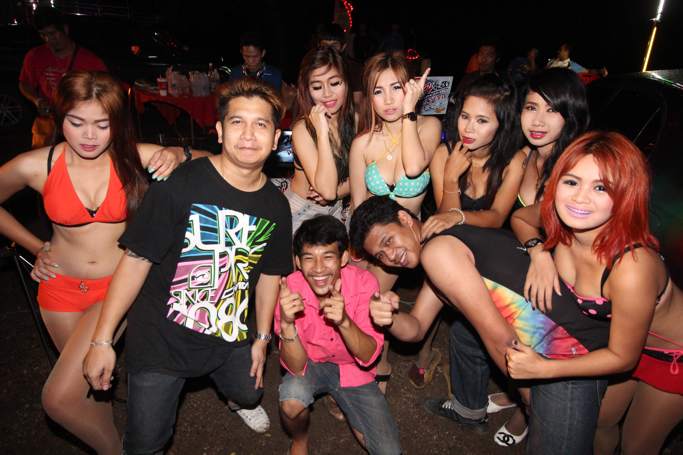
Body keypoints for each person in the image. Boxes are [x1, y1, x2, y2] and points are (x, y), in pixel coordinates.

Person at [82, 78, 293, 453]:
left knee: (249, 392)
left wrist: (262, 339)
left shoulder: (276, 206)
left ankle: (236, 399)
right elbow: (135, 260)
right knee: (147, 441)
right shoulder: (179, 185)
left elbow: (270, 275)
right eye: (237, 122)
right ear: (219, 131)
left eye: (261, 124)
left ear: (276, 138)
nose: (248, 135)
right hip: (161, 338)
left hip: (227, 331)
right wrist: (102, 341)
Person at [0, 70, 192, 454]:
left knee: (57, 399)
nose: (89, 135)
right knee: (84, 391)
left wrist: (176, 153)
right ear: (60, 118)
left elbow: (214, 163)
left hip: (115, 287)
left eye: (102, 125)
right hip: (59, 290)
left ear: (117, 124)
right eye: (76, 122)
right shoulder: (37, 165)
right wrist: (35, 246)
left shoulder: (132, 156)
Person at [349, 190, 608, 454]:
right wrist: (389, 318)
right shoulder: (440, 245)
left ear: (405, 219)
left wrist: (528, 395)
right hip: (572, 340)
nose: (391, 256)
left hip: (568, 352)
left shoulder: (438, 253)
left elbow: (499, 337)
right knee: (463, 332)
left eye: (388, 241)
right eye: (380, 255)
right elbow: (416, 328)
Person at [508, 132, 683, 455]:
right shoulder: (560, 216)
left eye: (601, 188)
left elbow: (623, 357)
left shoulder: (631, 267)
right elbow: (520, 218)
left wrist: (543, 369)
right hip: (617, 342)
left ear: (626, 194)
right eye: (571, 181)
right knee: (601, 422)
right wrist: (539, 253)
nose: (580, 198)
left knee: (637, 445)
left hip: (671, 355)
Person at [483, 67, 590, 444]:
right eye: (531, 108)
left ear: (570, 114)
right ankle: (519, 394)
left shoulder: (576, 164)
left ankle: (527, 408)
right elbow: (508, 216)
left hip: (569, 277)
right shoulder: (524, 156)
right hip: (530, 260)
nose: (538, 121)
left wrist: (542, 256)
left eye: (552, 110)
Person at [408, 73, 523, 389]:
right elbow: (445, 223)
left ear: (501, 124)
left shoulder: (513, 160)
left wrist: (458, 214)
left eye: (482, 121)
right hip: (449, 244)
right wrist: (450, 179)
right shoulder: (444, 153)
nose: (468, 128)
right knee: (438, 266)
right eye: (465, 117)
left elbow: (497, 217)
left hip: (492, 246)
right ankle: (423, 347)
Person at [348, 51, 441, 392]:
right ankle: (371, 360)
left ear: (411, 90)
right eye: (378, 91)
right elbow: (358, 207)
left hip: (415, 234)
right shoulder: (363, 143)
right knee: (360, 294)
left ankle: (404, 356)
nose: (388, 100)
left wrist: (410, 113)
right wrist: (356, 256)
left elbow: (414, 167)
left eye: (396, 88)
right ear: (368, 97)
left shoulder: (428, 126)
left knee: (389, 294)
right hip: (379, 242)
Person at [276, 215, 401, 455]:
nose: (318, 268)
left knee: (388, 451)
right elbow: (296, 366)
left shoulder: (365, 283)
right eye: (309, 258)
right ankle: (300, 440)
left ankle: (340, 398)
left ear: (343, 258)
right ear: (298, 262)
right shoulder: (289, 289)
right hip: (311, 364)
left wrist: (344, 321)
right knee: (291, 401)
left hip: (354, 370)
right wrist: (287, 324)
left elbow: (369, 355)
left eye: (328, 257)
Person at [285, 46, 356, 234]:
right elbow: (327, 191)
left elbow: (367, 171)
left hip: (341, 210)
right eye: (317, 87)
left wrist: (339, 191)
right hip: (304, 212)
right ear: (307, 90)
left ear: (346, 82)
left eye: (335, 83)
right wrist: (322, 132)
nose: (327, 94)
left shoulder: (355, 120)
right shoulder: (303, 129)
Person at [19, 7, 108, 149]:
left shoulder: (91, 61)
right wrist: (37, 100)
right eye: (43, 35)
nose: (48, 39)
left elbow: (106, 94)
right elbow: (24, 83)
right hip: (48, 122)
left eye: (52, 33)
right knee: (43, 159)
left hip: (78, 123)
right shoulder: (35, 55)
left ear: (65, 30)